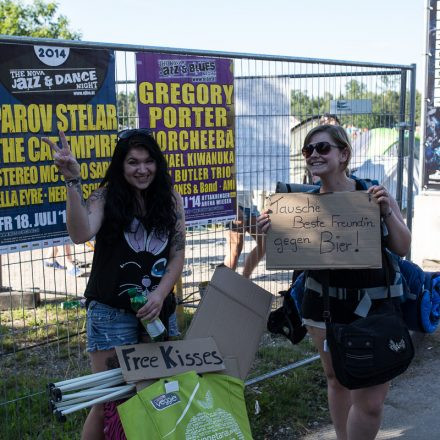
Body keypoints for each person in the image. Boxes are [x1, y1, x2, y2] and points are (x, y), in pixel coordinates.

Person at [257, 124, 411, 440]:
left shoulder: (371, 193)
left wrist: (386, 213)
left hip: (376, 305)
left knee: (370, 402)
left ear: (343, 154)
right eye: (308, 150)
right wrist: (270, 233)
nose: (314, 154)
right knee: (336, 378)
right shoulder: (297, 204)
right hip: (323, 306)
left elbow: (403, 247)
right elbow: (293, 254)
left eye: (323, 148)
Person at [42, 129, 185, 440]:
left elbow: (177, 256)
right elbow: (80, 234)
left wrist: (160, 296)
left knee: (159, 390)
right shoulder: (105, 197)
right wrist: (72, 182)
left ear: (157, 164)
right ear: (121, 165)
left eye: (148, 161)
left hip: (158, 313)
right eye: (133, 162)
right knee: (108, 399)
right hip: (111, 314)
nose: (142, 169)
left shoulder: (172, 199)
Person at [223, 190, 265, 278]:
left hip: (249, 205)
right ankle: (226, 283)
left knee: (264, 241)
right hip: (232, 204)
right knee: (235, 249)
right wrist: (234, 207)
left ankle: (244, 279)